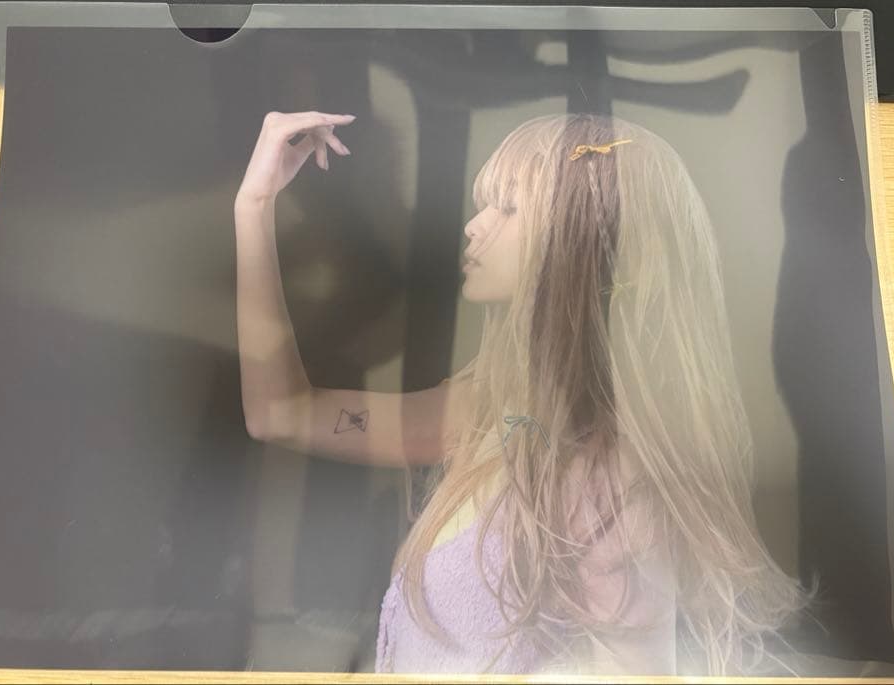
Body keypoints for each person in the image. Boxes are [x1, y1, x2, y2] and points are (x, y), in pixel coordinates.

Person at [233, 110, 810, 675]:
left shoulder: (612, 484)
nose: (474, 225)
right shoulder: (486, 411)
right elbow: (281, 413)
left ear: (578, 245)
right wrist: (254, 206)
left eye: (508, 207)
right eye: (486, 204)